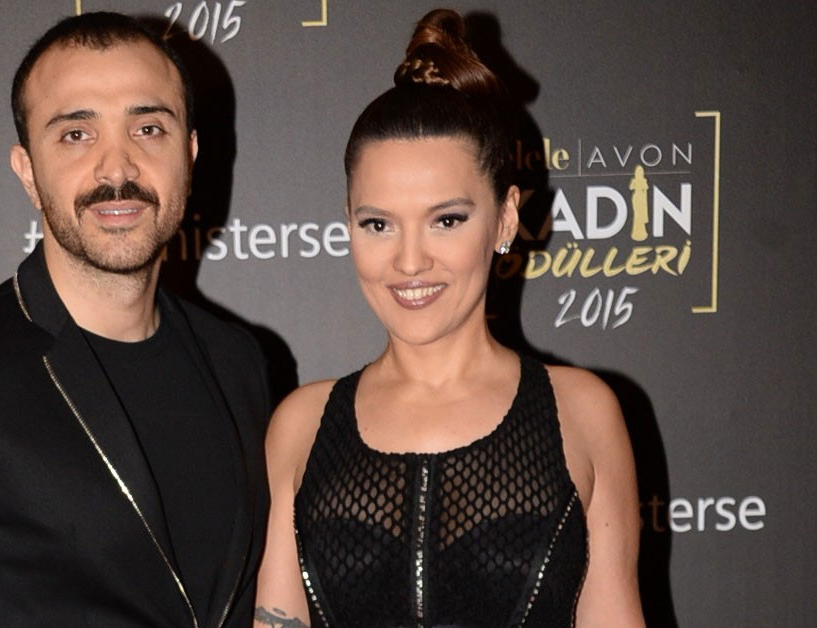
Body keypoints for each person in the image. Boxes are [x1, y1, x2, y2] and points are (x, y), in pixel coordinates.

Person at [0, 12, 271, 628]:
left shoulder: (236, 361)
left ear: (188, 153)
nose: (117, 169)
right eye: (76, 134)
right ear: (28, 172)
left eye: (148, 128)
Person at [255, 9, 644, 628]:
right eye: (377, 224)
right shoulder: (300, 427)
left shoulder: (582, 413)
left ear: (506, 217)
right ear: (348, 221)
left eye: (447, 220)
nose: (410, 261)